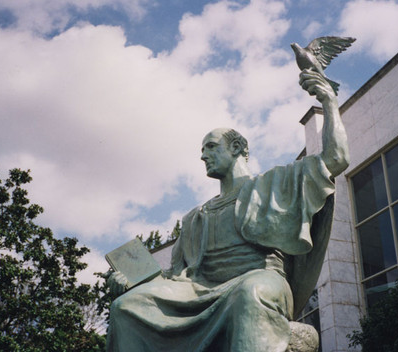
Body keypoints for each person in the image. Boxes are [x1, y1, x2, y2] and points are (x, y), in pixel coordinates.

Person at [106, 69, 349, 352]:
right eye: (202, 150)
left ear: (236, 147)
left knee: (249, 293)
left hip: (260, 278)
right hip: (197, 289)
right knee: (126, 306)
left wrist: (329, 101)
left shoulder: (275, 183)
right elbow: (175, 274)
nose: (202, 155)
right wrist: (131, 279)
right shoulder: (196, 217)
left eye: (210, 147)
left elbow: (336, 158)